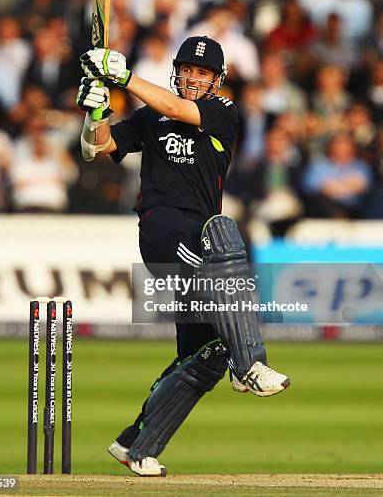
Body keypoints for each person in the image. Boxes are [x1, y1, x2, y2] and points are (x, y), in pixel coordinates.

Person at [76, 36, 290, 477]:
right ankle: (249, 362)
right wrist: (95, 112)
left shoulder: (224, 112)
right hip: (162, 230)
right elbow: (97, 148)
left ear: (216, 80)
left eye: (203, 73)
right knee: (223, 235)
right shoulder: (151, 114)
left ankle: (136, 444)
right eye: (188, 70)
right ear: (177, 71)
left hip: (202, 241)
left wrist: (124, 77)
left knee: (203, 353)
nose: (194, 78)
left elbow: (177, 110)